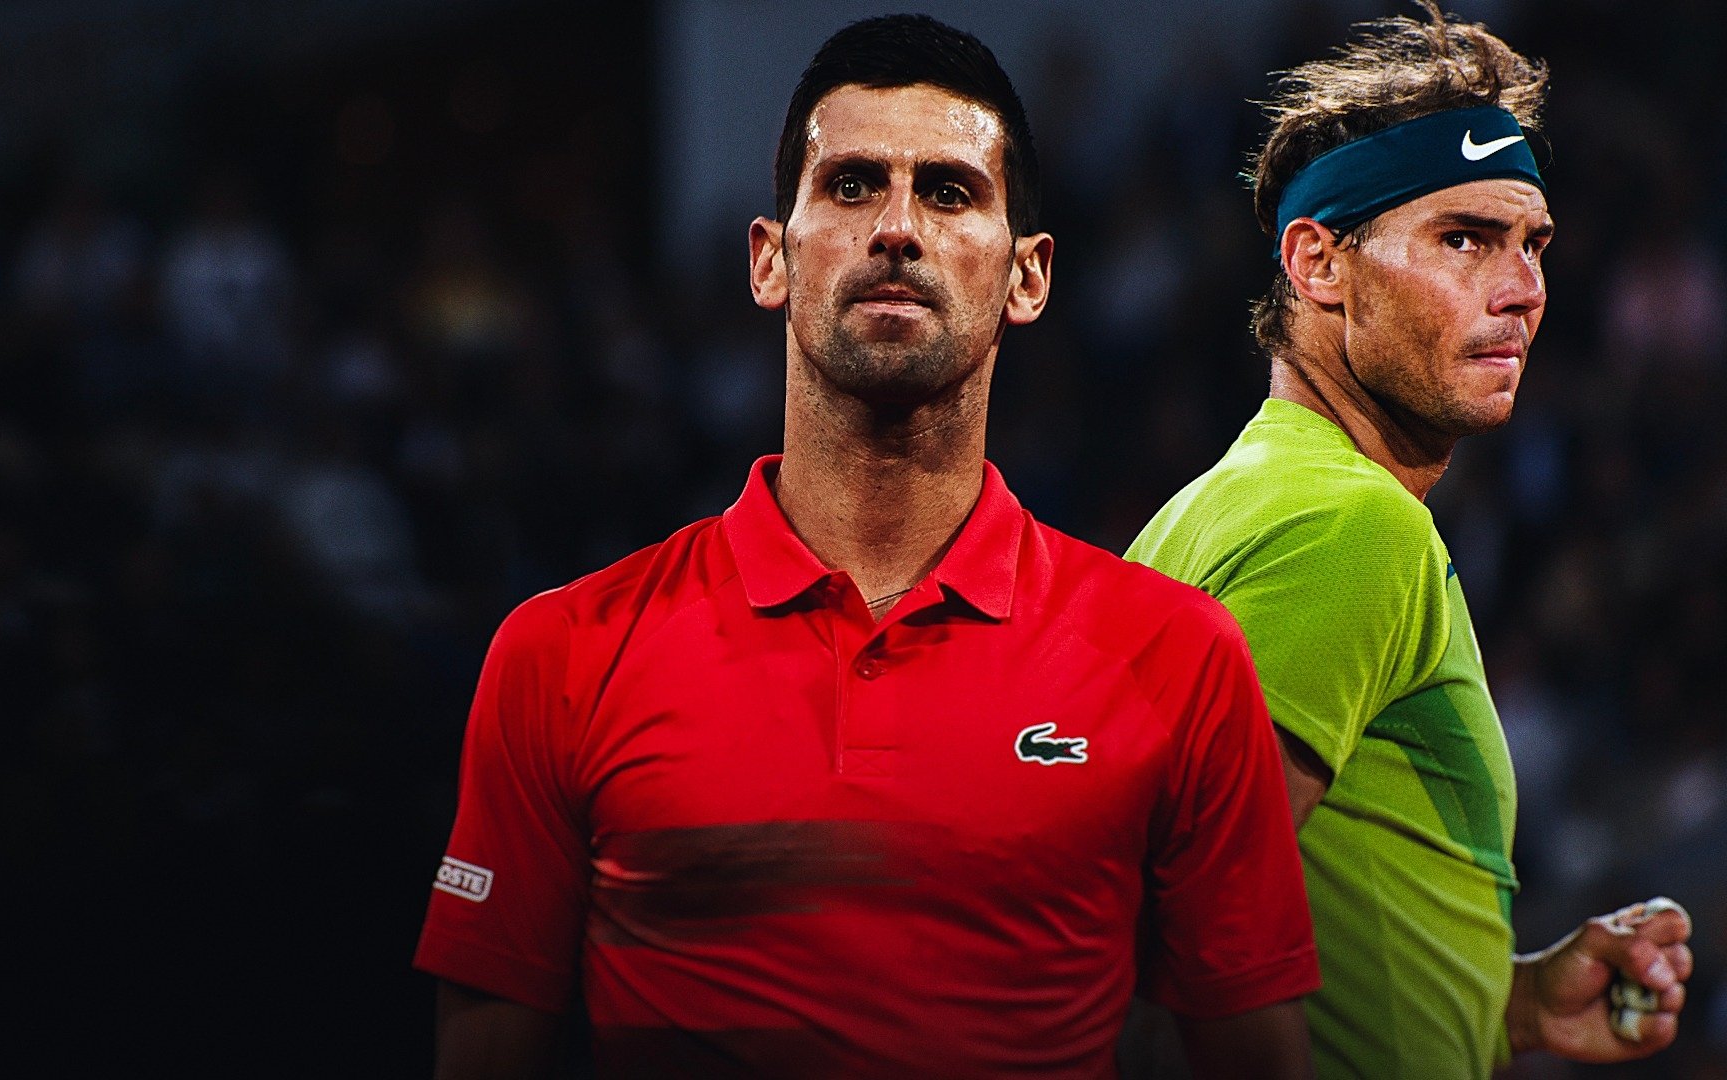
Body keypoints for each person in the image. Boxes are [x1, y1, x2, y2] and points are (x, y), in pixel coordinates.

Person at [415, 14, 1318, 1078]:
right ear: (770, 260)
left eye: (948, 192)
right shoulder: (561, 655)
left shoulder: (1180, 658)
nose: (896, 228)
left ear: (1027, 277)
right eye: (850, 186)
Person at [1125, 4, 1694, 1077]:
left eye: (1532, 244)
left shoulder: (1203, 509)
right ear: (1319, 264)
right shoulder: (1353, 526)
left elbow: (1289, 915)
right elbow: (1181, 933)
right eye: (1463, 239)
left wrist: (1510, 1003)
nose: (1522, 290)